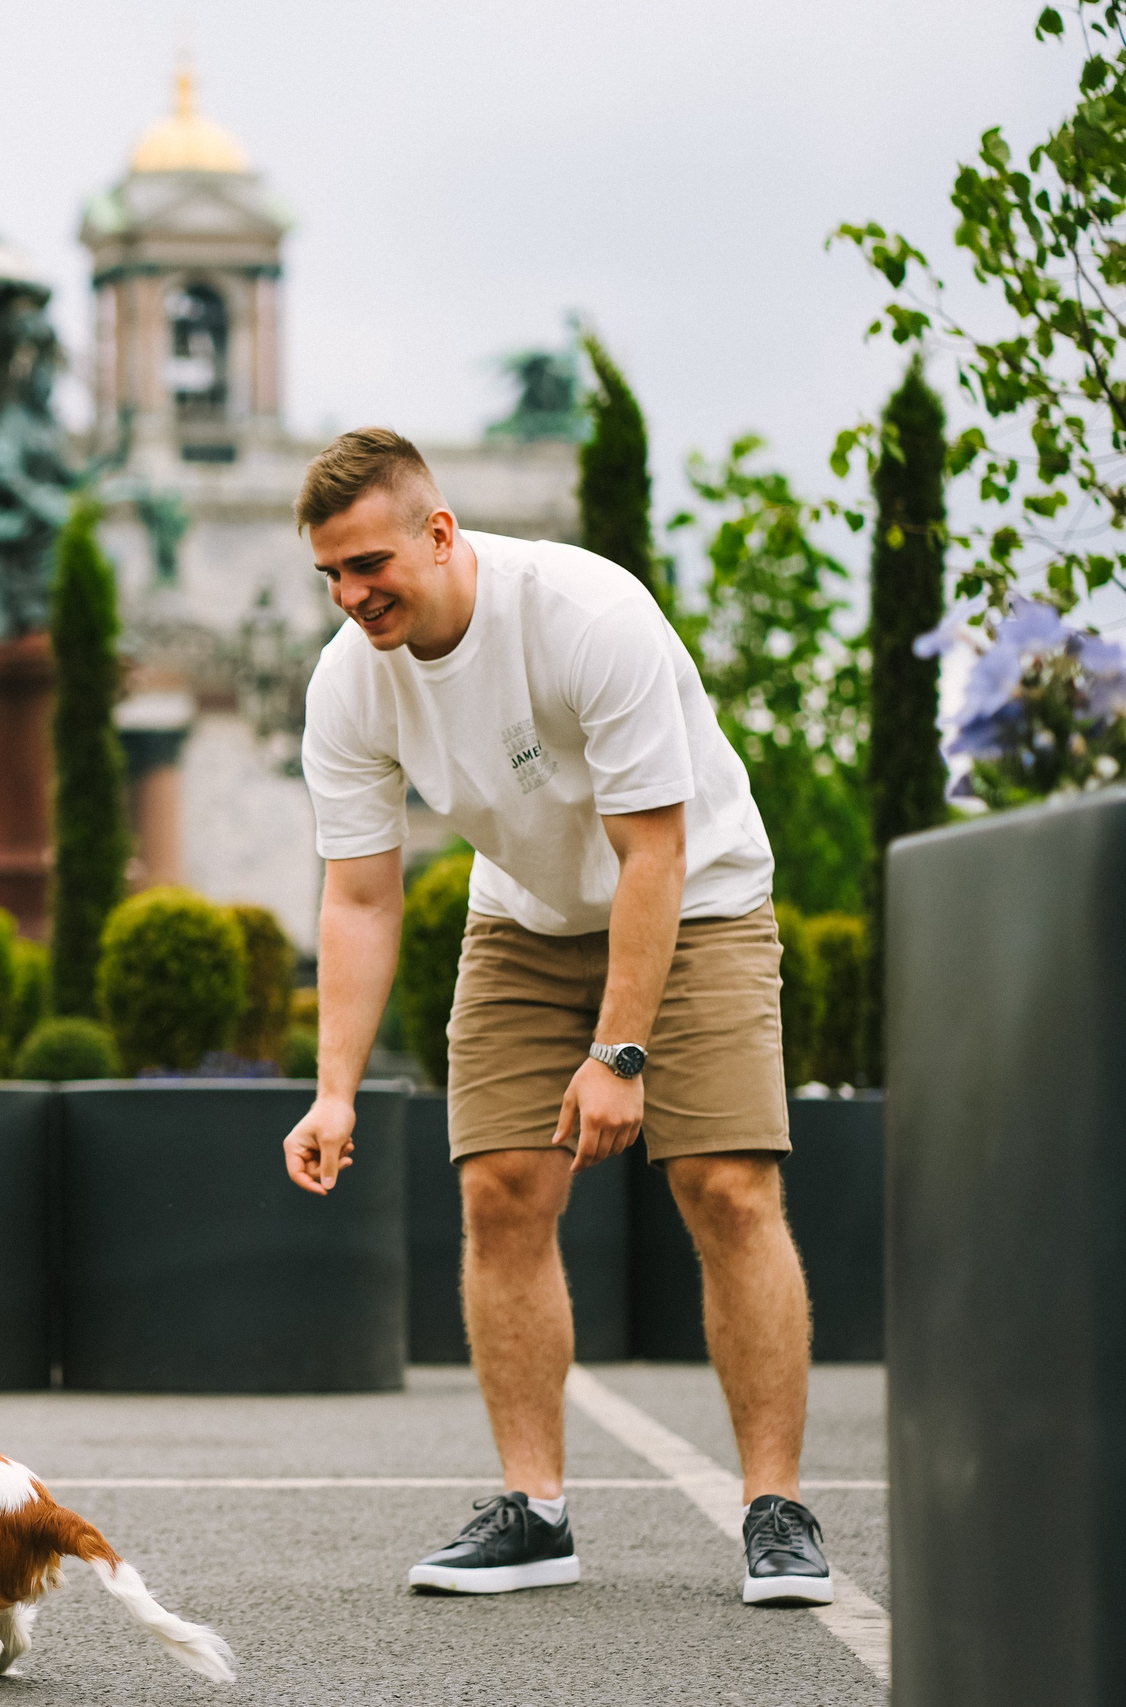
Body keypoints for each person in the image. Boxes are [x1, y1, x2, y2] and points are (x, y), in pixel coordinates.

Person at [280, 429, 834, 1608]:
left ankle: (774, 1509)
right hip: (524, 915)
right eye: (329, 573)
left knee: (726, 1186)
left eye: (369, 562)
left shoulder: (585, 612)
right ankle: (535, 1514)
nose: (351, 594)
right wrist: (332, 1087)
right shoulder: (348, 679)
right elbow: (361, 896)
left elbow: (655, 851)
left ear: (440, 533)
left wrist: (618, 1053)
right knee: (500, 1190)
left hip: (698, 896)